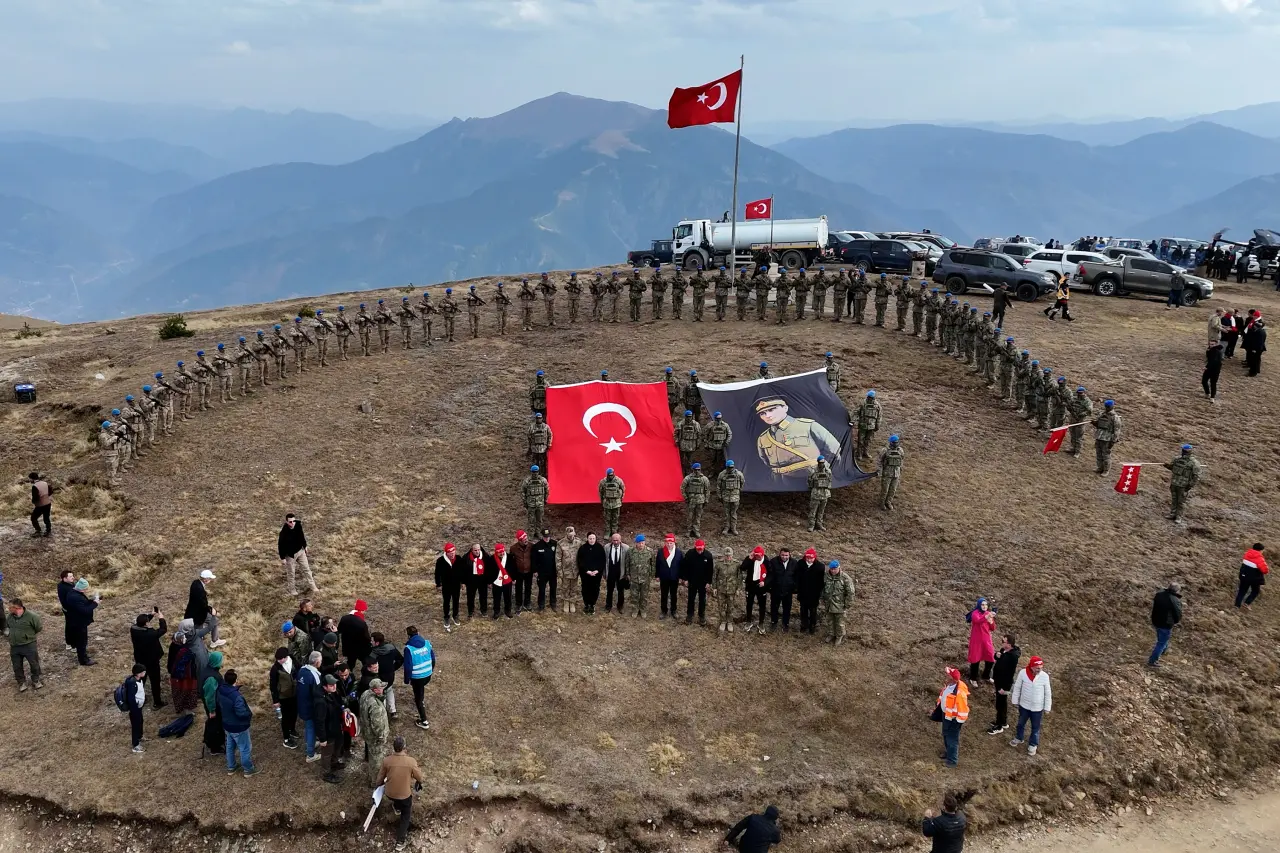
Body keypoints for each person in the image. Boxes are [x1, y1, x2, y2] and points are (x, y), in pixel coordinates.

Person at [377, 736, 426, 851]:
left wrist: (377, 786)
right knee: (405, 816)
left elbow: (380, 777)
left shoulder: (387, 760)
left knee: (397, 800)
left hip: (389, 793)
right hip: (404, 796)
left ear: (394, 748)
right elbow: (420, 777)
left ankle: (396, 807)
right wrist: (419, 781)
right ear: (404, 748)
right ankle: (400, 842)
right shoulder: (411, 761)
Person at [217, 669, 257, 776]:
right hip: (238, 726)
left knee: (230, 746)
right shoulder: (236, 697)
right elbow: (241, 713)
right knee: (245, 748)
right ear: (235, 681)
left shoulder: (220, 690)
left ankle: (231, 767)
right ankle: (248, 769)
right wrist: (249, 715)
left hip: (227, 724)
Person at [1009, 655, 1051, 756]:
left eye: (1041, 668)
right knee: (1020, 724)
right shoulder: (1023, 673)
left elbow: (1047, 693)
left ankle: (1033, 744)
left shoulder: (1044, 676)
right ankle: (1019, 738)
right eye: (1037, 668)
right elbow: (1017, 687)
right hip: (1024, 706)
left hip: (1037, 708)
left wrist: (1047, 707)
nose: (1039, 670)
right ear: (1031, 666)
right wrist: (1015, 700)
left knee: (1035, 728)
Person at [130, 609, 168, 708]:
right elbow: (163, 629)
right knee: (155, 681)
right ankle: (157, 702)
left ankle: (139, 697)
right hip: (152, 660)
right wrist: (161, 618)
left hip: (140, 659)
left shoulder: (133, 629)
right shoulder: (150, 634)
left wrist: (151, 615)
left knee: (141, 679)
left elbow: (141, 623)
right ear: (146, 623)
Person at [987, 633, 1021, 735]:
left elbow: (1010, 673)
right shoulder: (1004, 651)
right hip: (998, 680)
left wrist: (1005, 688)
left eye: (1003, 641)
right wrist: (996, 656)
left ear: (1009, 644)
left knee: (1000, 704)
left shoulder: (1013, 656)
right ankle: (1003, 721)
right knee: (1002, 702)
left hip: (1004, 683)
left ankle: (999, 725)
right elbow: (999, 659)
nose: (1001, 643)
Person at [278, 513, 319, 596]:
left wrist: (305, 546)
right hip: (290, 555)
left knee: (307, 569)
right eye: (290, 522)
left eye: (293, 521)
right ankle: (292, 590)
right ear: (286, 522)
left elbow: (301, 536)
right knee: (291, 573)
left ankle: (313, 586)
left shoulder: (298, 525)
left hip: (300, 551)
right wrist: (282, 558)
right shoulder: (283, 532)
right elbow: (280, 545)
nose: (292, 523)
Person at [936, 667, 970, 768]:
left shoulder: (959, 693)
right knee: (946, 735)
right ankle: (948, 753)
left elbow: (963, 710)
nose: (946, 676)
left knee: (952, 739)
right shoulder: (950, 686)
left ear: (953, 679)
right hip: (946, 716)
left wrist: (957, 722)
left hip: (953, 720)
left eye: (948, 675)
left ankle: (952, 760)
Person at [358, 679, 390, 784]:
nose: (383, 689)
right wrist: (381, 737)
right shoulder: (375, 705)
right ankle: (376, 781)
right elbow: (377, 725)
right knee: (377, 759)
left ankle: (372, 776)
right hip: (374, 737)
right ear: (376, 690)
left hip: (366, 732)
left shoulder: (365, 694)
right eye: (381, 688)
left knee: (372, 755)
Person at [7, 599, 44, 691]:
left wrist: (27, 636)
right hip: (14, 646)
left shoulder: (32, 616)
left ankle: (36, 680)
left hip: (29, 645)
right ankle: (21, 682)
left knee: (34, 663)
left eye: (10, 607)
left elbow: (38, 628)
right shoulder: (9, 617)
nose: (8, 608)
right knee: (16, 666)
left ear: (16, 607)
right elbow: (9, 627)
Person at [403, 626, 435, 730]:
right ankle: (422, 700)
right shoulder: (427, 643)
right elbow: (433, 658)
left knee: (418, 698)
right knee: (421, 690)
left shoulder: (408, 649)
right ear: (418, 633)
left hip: (417, 677)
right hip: (427, 674)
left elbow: (408, 667)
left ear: (408, 636)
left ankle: (424, 721)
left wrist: (407, 679)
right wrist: (431, 669)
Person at [315, 674, 345, 782]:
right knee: (327, 753)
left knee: (338, 746)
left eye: (335, 684)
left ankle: (334, 763)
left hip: (336, 727)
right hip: (328, 732)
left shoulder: (331, 693)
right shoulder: (321, 702)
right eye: (331, 685)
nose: (334, 686)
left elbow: (337, 705)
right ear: (324, 686)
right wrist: (322, 738)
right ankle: (326, 773)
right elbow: (320, 721)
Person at [269, 646, 300, 749]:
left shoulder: (294, 661)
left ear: (286, 657)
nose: (279, 661)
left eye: (281, 658)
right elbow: (272, 685)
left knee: (294, 713)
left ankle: (292, 729)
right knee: (285, 718)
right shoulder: (275, 668)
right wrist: (275, 700)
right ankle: (286, 739)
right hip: (283, 697)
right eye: (278, 659)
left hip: (295, 694)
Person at [63, 578, 98, 666]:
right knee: (82, 642)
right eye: (86, 588)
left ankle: (83, 656)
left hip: (76, 621)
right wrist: (95, 604)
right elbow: (84, 610)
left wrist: (91, 601)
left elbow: (83, 604)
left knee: (81, 641)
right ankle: (83, 660)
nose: (86, 590)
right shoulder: (75, 597)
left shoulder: (74, 593)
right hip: (78, 623)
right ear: (81, 588)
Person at [1163, 444, 1203, 523]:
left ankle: (1179, 517)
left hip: (1183, 485)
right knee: (1174, 500)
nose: (1183, 452)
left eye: (1184, 451)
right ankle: (1172, 514)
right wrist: (1166, 465)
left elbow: (1196, 476)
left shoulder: (1194, 463)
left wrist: (1190, 485)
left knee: (1181, 502)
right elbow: (1173, 468)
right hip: (1174, 483)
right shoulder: (1177, 459)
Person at [185, 569, 224, 647]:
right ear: (205, 579)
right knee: (198, 631)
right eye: (210, 578)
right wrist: (213, 611)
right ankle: (205, 643)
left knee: (214, 621)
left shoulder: (195, 582)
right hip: (197, 615)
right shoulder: (200, 590)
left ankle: (214, 640)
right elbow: (203, 605)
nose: (211, 580)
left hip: (193, 612)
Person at [296, 650, 324, 760]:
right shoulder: (316, 675)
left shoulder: (302, 670)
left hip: (302, 704)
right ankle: (310, 754)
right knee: (311, 728)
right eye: (320, 661)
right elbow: (318, 694)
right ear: (317, 662)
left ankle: (310, 743)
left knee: (308, 727)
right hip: (311, 707)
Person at [369, 632, 403, 719]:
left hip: (379, 678)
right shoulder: (391, 648)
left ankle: (382, 713)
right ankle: (393, 711)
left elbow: (369, 667)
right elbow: (400, 659)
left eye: (372, 640)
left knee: (381, 694)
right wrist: (393, 668)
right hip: (390, 676)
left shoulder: (374, 654)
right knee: (389, 690)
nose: (370, 642)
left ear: (377, 643)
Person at [1149, 581, 1182, 667]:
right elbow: (1177, 614)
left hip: (1156, 621)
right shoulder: (1175, 600)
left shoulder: (1159, 594)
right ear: (1177, 591)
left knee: (1162, 638)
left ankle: (1163, 650)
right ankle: (1152, 661)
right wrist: (1175, 621)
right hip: (1166, 624)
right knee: (1161, 642)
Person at [681, 539, 713, 626]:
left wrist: (709, 582)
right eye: (698, 549)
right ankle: (689, 615)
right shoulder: (689, 554)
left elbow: (710, 570)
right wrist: (685, 579)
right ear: (695, 547)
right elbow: (684, 567)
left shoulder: (708, 556)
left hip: (703, 583)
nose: (700, 551)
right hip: (692, 581)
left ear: (704, 547)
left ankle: (701, 616)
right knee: (691, 599)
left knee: (702, 600)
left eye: (701, 549)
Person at [167, 629, 200, 714]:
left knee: (178, 692)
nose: (185, 638)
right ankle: (187, 709)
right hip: (186, 675)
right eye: (183, 637)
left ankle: (180, 708)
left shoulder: (173, 645)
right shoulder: (184, 651)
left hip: (175, 674)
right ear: (180, 640)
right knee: (187, 691)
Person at [965, 598, 996, 686]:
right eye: (982, 604)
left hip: (986, 640)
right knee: (975, 660)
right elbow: (977, 620)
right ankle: (973, 678)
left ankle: (986, 675)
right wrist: (986, 617)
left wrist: (991, 621)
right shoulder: (975, 613)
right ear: (979, 605)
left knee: (990, 658)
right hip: (976, 641)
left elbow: (993, 628)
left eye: (986, 605)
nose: (984, 606)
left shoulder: (987, 613)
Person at [740, 546, 770, 634]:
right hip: (750, 586)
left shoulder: (767, 561)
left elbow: (771, 574)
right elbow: (742, 568)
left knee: (762, 605)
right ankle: (748, 621)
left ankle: (761, 623)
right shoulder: (750, 559)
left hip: (761, 586)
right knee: (749, 604)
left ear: (762, 554)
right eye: (756, 555)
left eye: (759, 556)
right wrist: (749, 558)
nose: (757, 557)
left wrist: (765, 582)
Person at [768, 547, 798, 632]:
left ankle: (786, 624)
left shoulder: (794, 563)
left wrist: (794, 587)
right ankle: (774, 622)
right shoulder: (773, 561)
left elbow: (796, 576)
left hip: (788, 590)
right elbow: (770, 575)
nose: (784, 557)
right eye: (782, 555)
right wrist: (770, 587)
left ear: (789, 555)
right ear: (779, 554)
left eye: (786, 555)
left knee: (787, 608)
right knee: (774, 607)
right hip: (776, 589)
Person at [434, 542, 462, 631]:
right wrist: (438, 584)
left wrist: (463, 582)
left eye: (453, 552)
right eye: (450, 552)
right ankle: (446, 617)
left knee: (456, 601)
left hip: (456, 585)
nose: (452, 554)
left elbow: (462, 572)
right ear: (446, 553)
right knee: (446, 602)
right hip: (446, 586)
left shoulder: (458, 559)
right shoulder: (440, 561)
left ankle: (455, 615)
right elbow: (437, 574)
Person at [795, 549, 823, 635]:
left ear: (815, 557)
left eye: (811, 558)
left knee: (813, 611)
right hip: (803, 593)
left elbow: (821, 582)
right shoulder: (800, 564)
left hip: (814, 594)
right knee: (803, 610)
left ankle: (812, 626)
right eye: (807, 558)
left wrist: (818, 593)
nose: (809, 560)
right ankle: (804, 625)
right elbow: (797, 577)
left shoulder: (820, 567)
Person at [655, 533, 683, 621]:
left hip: (674, 577)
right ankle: (664, 611)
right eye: (667, 542)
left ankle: (673, 610)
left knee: (673, 595)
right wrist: (657, 575)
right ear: (665, 543)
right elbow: (657, 564)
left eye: (671, 543)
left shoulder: (679, 552)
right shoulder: (660, 551)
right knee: (664, 594)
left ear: (674, 543)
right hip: (664, 576)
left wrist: (681, 577)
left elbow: (682, 566)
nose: (669, 544)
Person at [338, 600, 372, 670]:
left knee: (350, 662)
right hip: (360, 648)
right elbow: (366, 637)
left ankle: (348, 673)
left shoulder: (344, 618)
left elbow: (339, 630)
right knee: (365, 662)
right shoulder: (362, 623)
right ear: (362, 610)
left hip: (348, 646)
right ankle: (366, 674)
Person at [577, 533, 606, 615]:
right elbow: (580, 561)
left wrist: (597, 570)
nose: (592, 540)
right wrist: (587, 571)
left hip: (597, 574)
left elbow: (603, 561)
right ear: (587, 539)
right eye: (590, 538)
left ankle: (592, 604)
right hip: (586, 574)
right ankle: (586, 605)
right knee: (585, 589)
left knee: (595, 589)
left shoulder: (600, 548)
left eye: (593, 538)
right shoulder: (582, 548)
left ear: (595, 539)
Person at [532, 528, 559, 612]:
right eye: (545, 537)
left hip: (553, 571)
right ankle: (541, 605)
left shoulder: (555, 544)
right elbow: (534, 559)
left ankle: (553, 603)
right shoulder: (537, 546)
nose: (547, 538)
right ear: (542, 536)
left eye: (548, 536)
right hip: (542, 572)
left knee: (553, 588)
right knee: (542, 589)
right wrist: (535, 571)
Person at [558, 526, 582, 613]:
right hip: (566, 570)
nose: (571, 536)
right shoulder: (560, 543)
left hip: (575, 570)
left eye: (572, 534)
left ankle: (572, 602)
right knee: (565, 587)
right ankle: (566, 602)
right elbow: (558, 559)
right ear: (566, 534)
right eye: (569, 534)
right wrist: (560, 572)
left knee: (574, 587)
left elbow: (582, 556)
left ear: (574, 533)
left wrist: (581, 569)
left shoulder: (579, 543)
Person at [1236, 543, 1268, 610]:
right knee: (1256, 591)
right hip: (1255, 579)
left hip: (1244, 576)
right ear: (1261, 550)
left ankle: (1237, 606)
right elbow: (1265, 570)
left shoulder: (1247, 554)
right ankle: (1247, 603)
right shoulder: (1260, 558)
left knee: (1242, 591)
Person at [627, 534, 653, 618]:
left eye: (642, 543)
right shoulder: (630, 551)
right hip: (634, 578)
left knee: (644, 596)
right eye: (639, 543)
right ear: (636, 543)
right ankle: (635, 610)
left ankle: (643, 610)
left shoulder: (650, 551)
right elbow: (627, 563)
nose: (641, 545)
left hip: (645, 578)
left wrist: (651, 575)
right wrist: (627, 574)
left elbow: (653, 564)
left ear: (644, 542)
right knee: (634, 595)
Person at [124, 663, 148, 753]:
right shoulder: (132, 683)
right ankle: (135, 745)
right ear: (138, 673)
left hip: (139, 707)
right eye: (143, 672)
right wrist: (135, 709)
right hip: (135, 708)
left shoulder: (139, 680)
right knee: (135, 725)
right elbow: (131, 698)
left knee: (140, 721)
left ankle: (140, 737)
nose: (145, 673)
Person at [604, 533, 629, 614]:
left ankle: (620, 606)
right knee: (609, 590)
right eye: (614, 540)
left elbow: (627, 562)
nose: (615, 542)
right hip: (610, 573)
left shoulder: (626, 548)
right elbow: (604, 561)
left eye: (617, 540)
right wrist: (604, 573)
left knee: (621, 591)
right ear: (611, 540)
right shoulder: (607, 547)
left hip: (621, 574)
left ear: (620, 540)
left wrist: (627, 574)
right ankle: (608, 606)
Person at [489, 543, 514, 619]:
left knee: (508, 597)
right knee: (496, 598)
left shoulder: (509, 557)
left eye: (503, 551)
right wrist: (490, 582)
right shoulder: (492, 559)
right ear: (496, 552)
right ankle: (496, 612)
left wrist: (514, 578)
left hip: (507, 580)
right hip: (496, 581)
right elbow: (489, 571)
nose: (502, 553)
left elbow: (513, 568)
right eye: (500, 552)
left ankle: (508, 610)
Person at [510, 532, 533, 613]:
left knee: (528, 588)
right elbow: (511, 562)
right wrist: (513, 575)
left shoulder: (532, 546)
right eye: (524, 540)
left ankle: (527, 603)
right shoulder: (513, 548)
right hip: (518, 572)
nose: (526, 541)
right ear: (519, 540)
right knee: (518, 588)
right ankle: (518, 604)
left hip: (529, 572)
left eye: (526, 539)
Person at [28, 472, 52, 537]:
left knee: (33, 518)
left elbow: (35, 498)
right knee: (46, 518)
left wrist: (33, 501)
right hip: (48, 503)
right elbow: (50, 491)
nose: (29, 480)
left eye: (29, 479)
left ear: (32, 479)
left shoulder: (34, 486)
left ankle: (38, 531)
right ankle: (48, 531)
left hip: (40, 505)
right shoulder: (45, 483)